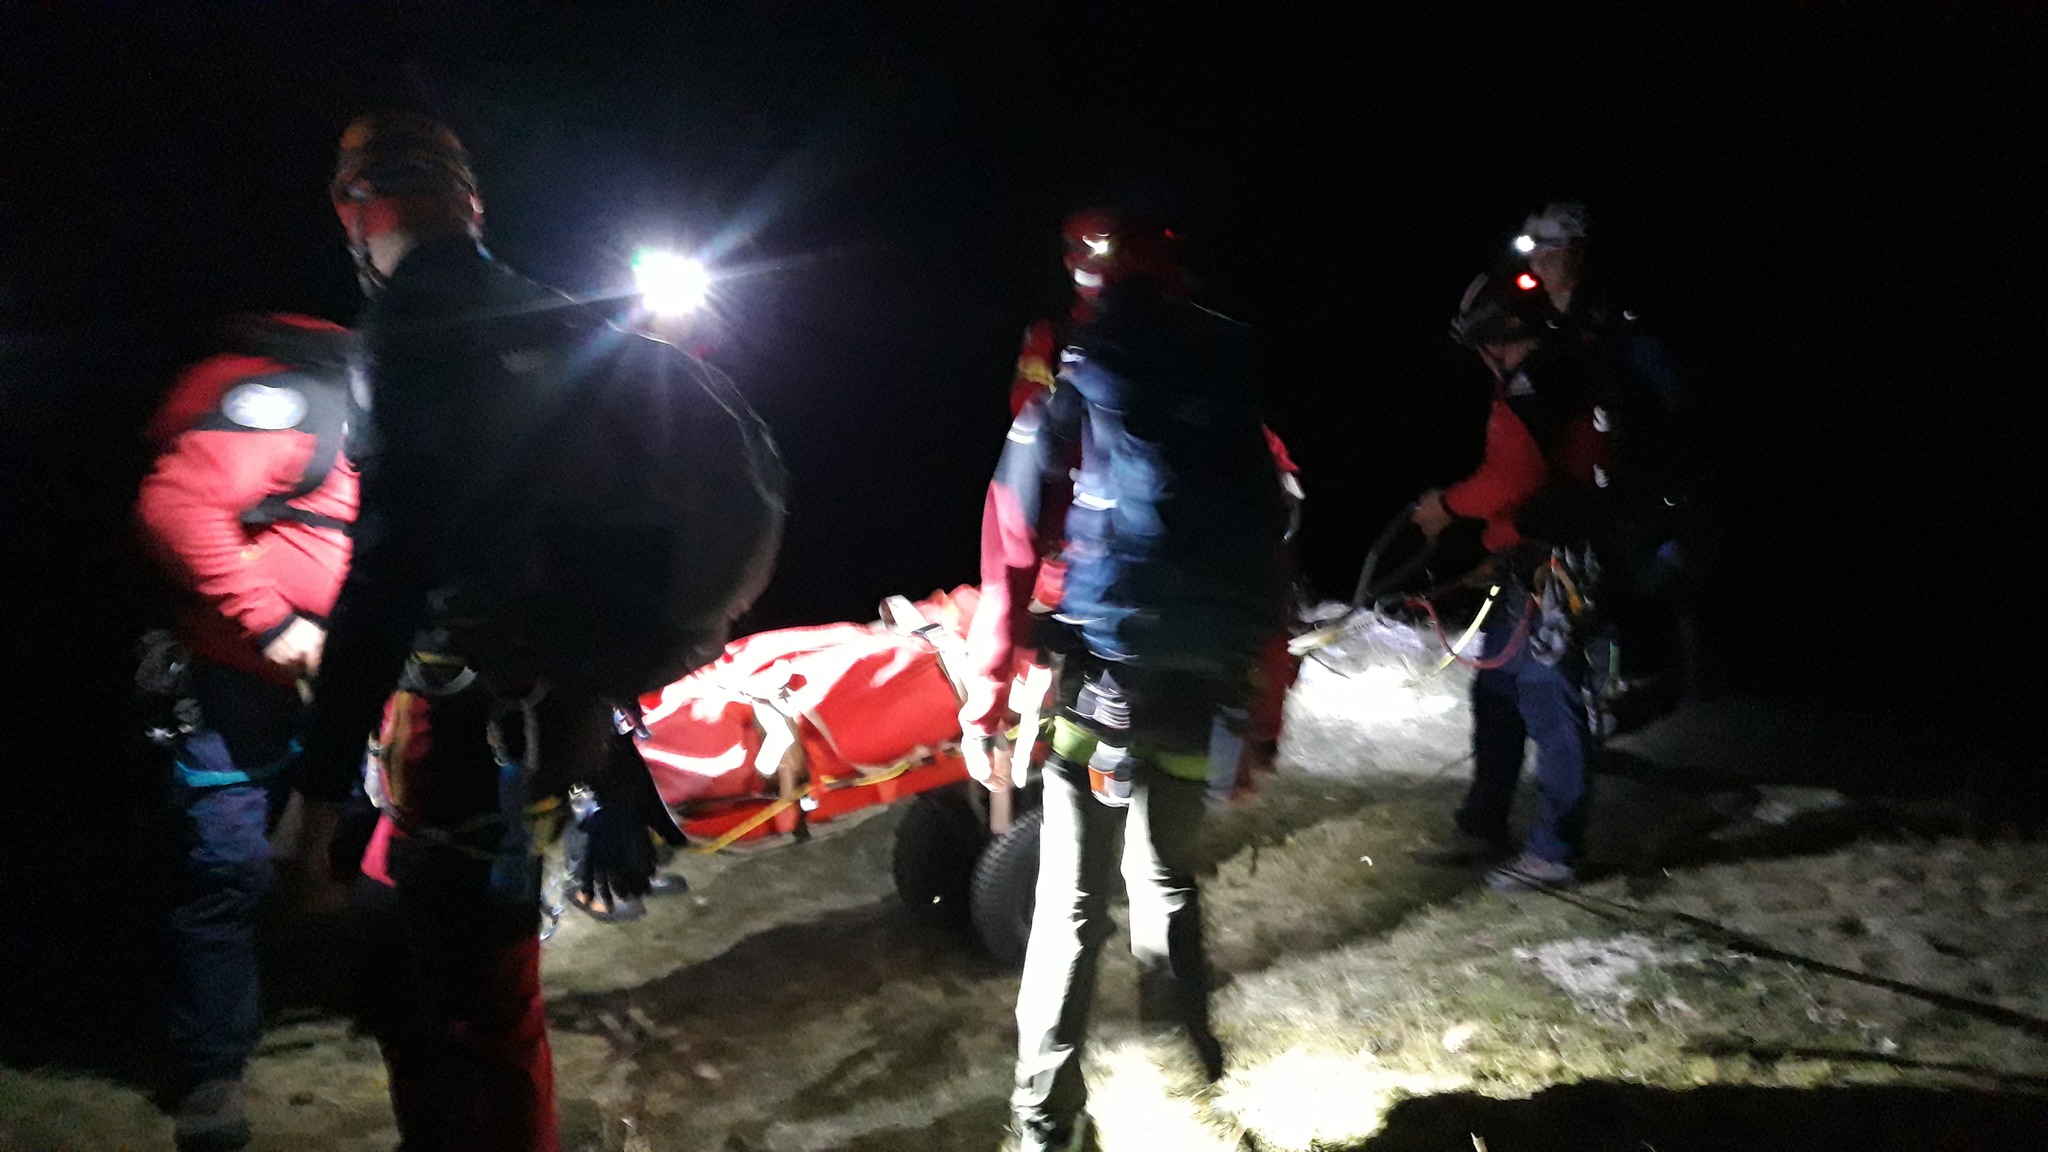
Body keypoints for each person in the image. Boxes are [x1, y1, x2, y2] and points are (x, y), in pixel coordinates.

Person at [296, 111, 682, 1152]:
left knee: (472, 1002)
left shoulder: (406, 331)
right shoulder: (557, 316)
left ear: (353, 212)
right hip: (555, 713)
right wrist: (612, 729)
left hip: (466, 738)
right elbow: (626, 538)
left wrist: (318, 787)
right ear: (470, 204)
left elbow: (388, 575)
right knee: (441, 971)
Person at [960, 211, 1287, 1152]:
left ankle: (1045, 1124)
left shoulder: (1077, 376)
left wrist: (989, 689)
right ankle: (1189, 1059)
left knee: (1071, 907)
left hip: (1102, 677)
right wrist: (1260, 718)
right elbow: (1273, 563)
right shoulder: (1230, 392)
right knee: (1167, 876)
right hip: (1198, 685)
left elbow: (1011, 535)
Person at [135, 312, 360, 1151]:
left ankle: (339, 996)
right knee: (225, 862)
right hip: (233, 677)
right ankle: (211, 1068)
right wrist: (273, 624)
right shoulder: (298, 402)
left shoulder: (397, 424)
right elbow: (174, 505)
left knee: (356, 843)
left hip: (339, 684)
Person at [1408, 260, 1611, 891]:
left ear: (1498, 340)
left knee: (1551, 700)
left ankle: (1555, 851)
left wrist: (1447, 507)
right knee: (1495, 694)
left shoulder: (1537, 384)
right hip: (1527, 565)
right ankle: (1483, 824)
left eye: (1481, 345)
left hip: (1555, 571)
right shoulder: (1545, 378)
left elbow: (1512, 477)